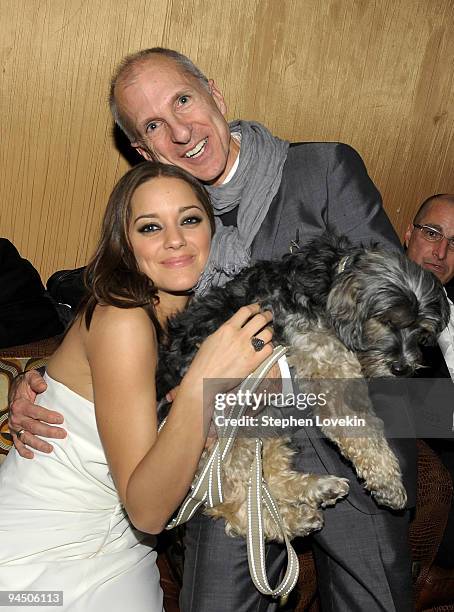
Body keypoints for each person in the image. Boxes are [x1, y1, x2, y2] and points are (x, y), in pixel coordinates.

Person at [9, 48, 415, 611]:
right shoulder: (169, 237)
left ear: (215, 95)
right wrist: (33, 377)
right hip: (220, 462)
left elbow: (393, 317)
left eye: (183, 100)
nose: (179, 131)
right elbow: (94, 305)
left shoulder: (321, 169)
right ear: (142, 149)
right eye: (154, 124)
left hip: (344, 441)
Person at [1, 161, 274, 611]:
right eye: (150, 227)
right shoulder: (123, 319)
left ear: (212, 229)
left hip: (124, 551)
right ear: (124, 244)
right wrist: (203, 386)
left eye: (190, 219)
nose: (175, 239)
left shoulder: (206, 325)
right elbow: (147, 510)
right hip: (32, 555)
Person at [404, 193, 454, 569]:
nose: (440, 252)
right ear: (409, 234)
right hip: (429, 462)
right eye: (432, 233)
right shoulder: (375, 296)